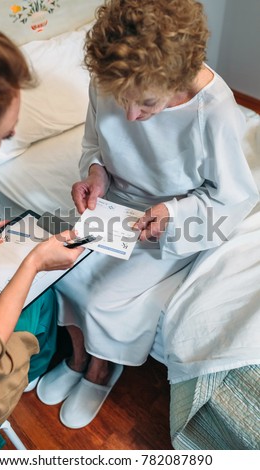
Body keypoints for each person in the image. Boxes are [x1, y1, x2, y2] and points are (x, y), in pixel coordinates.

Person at [36, 0, 259, 429]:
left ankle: (102, 369)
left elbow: (230, 199)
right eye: (122, 101)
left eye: (147, 104)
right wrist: (95, 173)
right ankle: (79, 358)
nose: (132, 117)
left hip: (172, 222)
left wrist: (173, 212)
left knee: (104, 297)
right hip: (113, 203)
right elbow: (93, 144)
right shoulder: (111, 77)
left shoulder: (212, 110)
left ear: (177, 78)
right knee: (64, 269)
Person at [0, 16, 84, 450]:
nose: (11, 136)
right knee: (39, 293)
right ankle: (44, 364)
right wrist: (34, 263)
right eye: (4, 134)